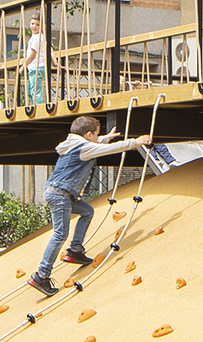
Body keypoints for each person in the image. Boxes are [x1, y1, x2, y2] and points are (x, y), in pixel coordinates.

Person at [28, 116, 151, 296]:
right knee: (60, 233)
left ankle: (75, 251)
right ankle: (41, 275)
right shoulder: (83, 148)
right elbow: (107, 149)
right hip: (61, 194)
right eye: (96, 134)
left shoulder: (73, 143)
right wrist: (135, 142)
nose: (97, 137)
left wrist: (105, 137)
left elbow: (96, 143)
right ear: (88, 134)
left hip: (60, 192)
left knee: (87, 211)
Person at [20, 14, 49, 105]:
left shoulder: (37, 38)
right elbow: (50, 50)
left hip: (36, 67)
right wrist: (55, 62)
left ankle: (38, 107)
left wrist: (23, 66)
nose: (34, 26)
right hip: (34, 67)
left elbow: (32, 54)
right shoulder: (37, 37)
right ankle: (34, 105)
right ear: (29, 24)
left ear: (42, 27)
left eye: (37, 25)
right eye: (33, 24)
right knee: (30, 90)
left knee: (35, 91)